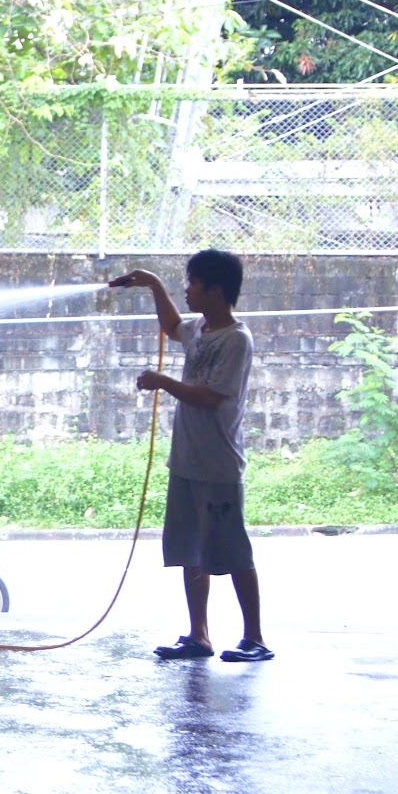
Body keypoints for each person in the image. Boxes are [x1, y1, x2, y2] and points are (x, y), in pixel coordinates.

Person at [107, 250, 273, 662]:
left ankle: (255, 638)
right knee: (190, 550)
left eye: (192, 282)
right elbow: (172, 325)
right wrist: (152, 284)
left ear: (215, 289)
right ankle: (199, 635)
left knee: (233, 552)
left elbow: (213, 397)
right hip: (186, 462)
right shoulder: (200, 328)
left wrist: (163, 381)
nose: (187, 289)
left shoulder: (236, 339)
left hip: (218, 465)